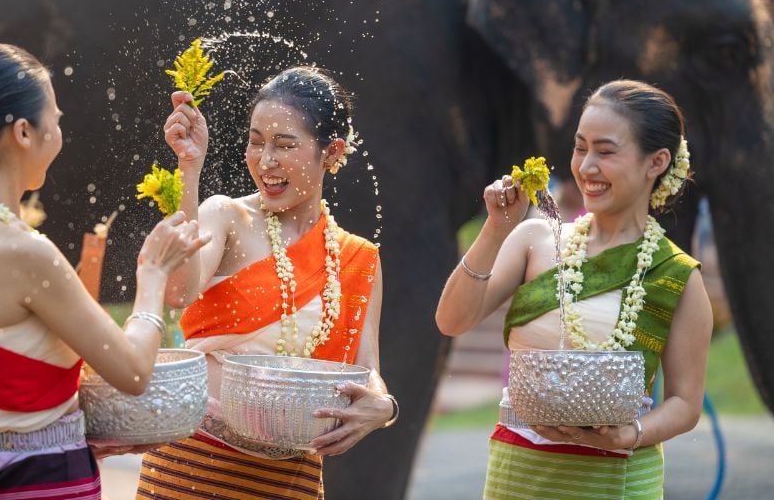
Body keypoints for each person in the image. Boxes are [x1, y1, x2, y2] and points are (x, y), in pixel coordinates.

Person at [0, 43, 210, 500]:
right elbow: (132, 372)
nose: (61, 130)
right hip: (47, 484)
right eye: (56, 118)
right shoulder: (26, 252)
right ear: (24, 132)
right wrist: (153, 274)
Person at [436, 80, 713, 499]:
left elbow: (685, 404)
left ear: (656, 162)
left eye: (605, 151)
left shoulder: (676, 275)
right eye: (580, 148)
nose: (585, 167)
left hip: (616, 479)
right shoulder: (535, 239)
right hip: (519, 474)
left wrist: (629, 434)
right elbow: (452, 320)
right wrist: (494, 230)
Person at [135, 67, 398, 499]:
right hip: (190, 463)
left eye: (284, 145)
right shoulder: (226, 216)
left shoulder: (356, 258)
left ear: (331, 153)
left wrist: (384, 407)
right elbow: (178, 291)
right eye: (256, 141)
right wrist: (189, 168)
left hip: (287, 476)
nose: (265, 160)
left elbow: (368, 370)